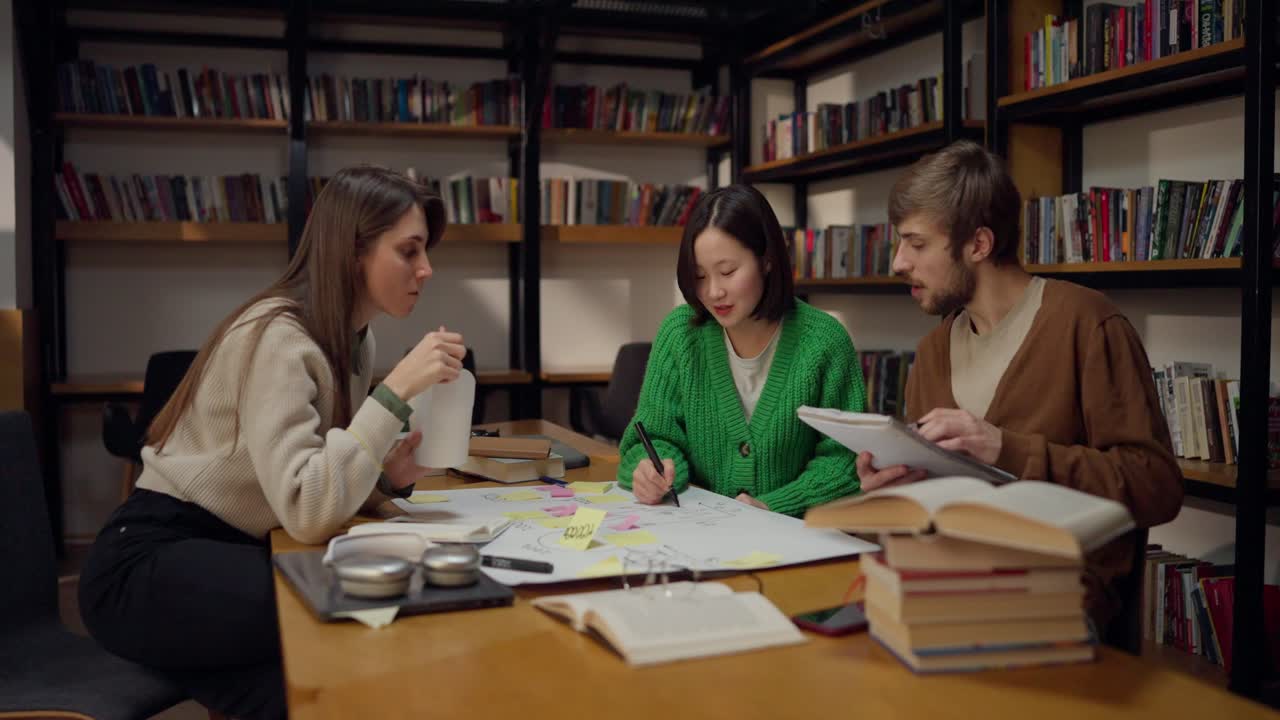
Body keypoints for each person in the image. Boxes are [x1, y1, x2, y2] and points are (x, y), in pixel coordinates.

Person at [78, 166, 465, 720]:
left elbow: (308, 482)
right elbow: (308, 509)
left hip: (233, 549)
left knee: (305, 690)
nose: (426, 270)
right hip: (146, 561)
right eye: (409, 251)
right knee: (347, 607)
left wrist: (381, 479)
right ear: (352, 251)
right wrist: (398, 389)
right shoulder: (279, 335)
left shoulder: (354, 340)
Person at [860, 140, 1183, 631]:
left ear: (979, 244)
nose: (898, 263)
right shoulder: (931, 353)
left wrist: (1006, 449)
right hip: (944, 584)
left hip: (1057, 603)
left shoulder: (1086, 323)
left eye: (917, 243)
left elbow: (1156, 485)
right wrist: (891, 486)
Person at [617, 184, 866, 517]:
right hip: (699, 534)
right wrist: (651, 468)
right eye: (699, 276)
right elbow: (653, 435)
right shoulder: (680, 334)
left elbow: (844, 462)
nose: (714, 291)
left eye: (728, 271)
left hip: (797, 541)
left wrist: (772, 506)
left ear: (766, 260)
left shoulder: (824, 342)